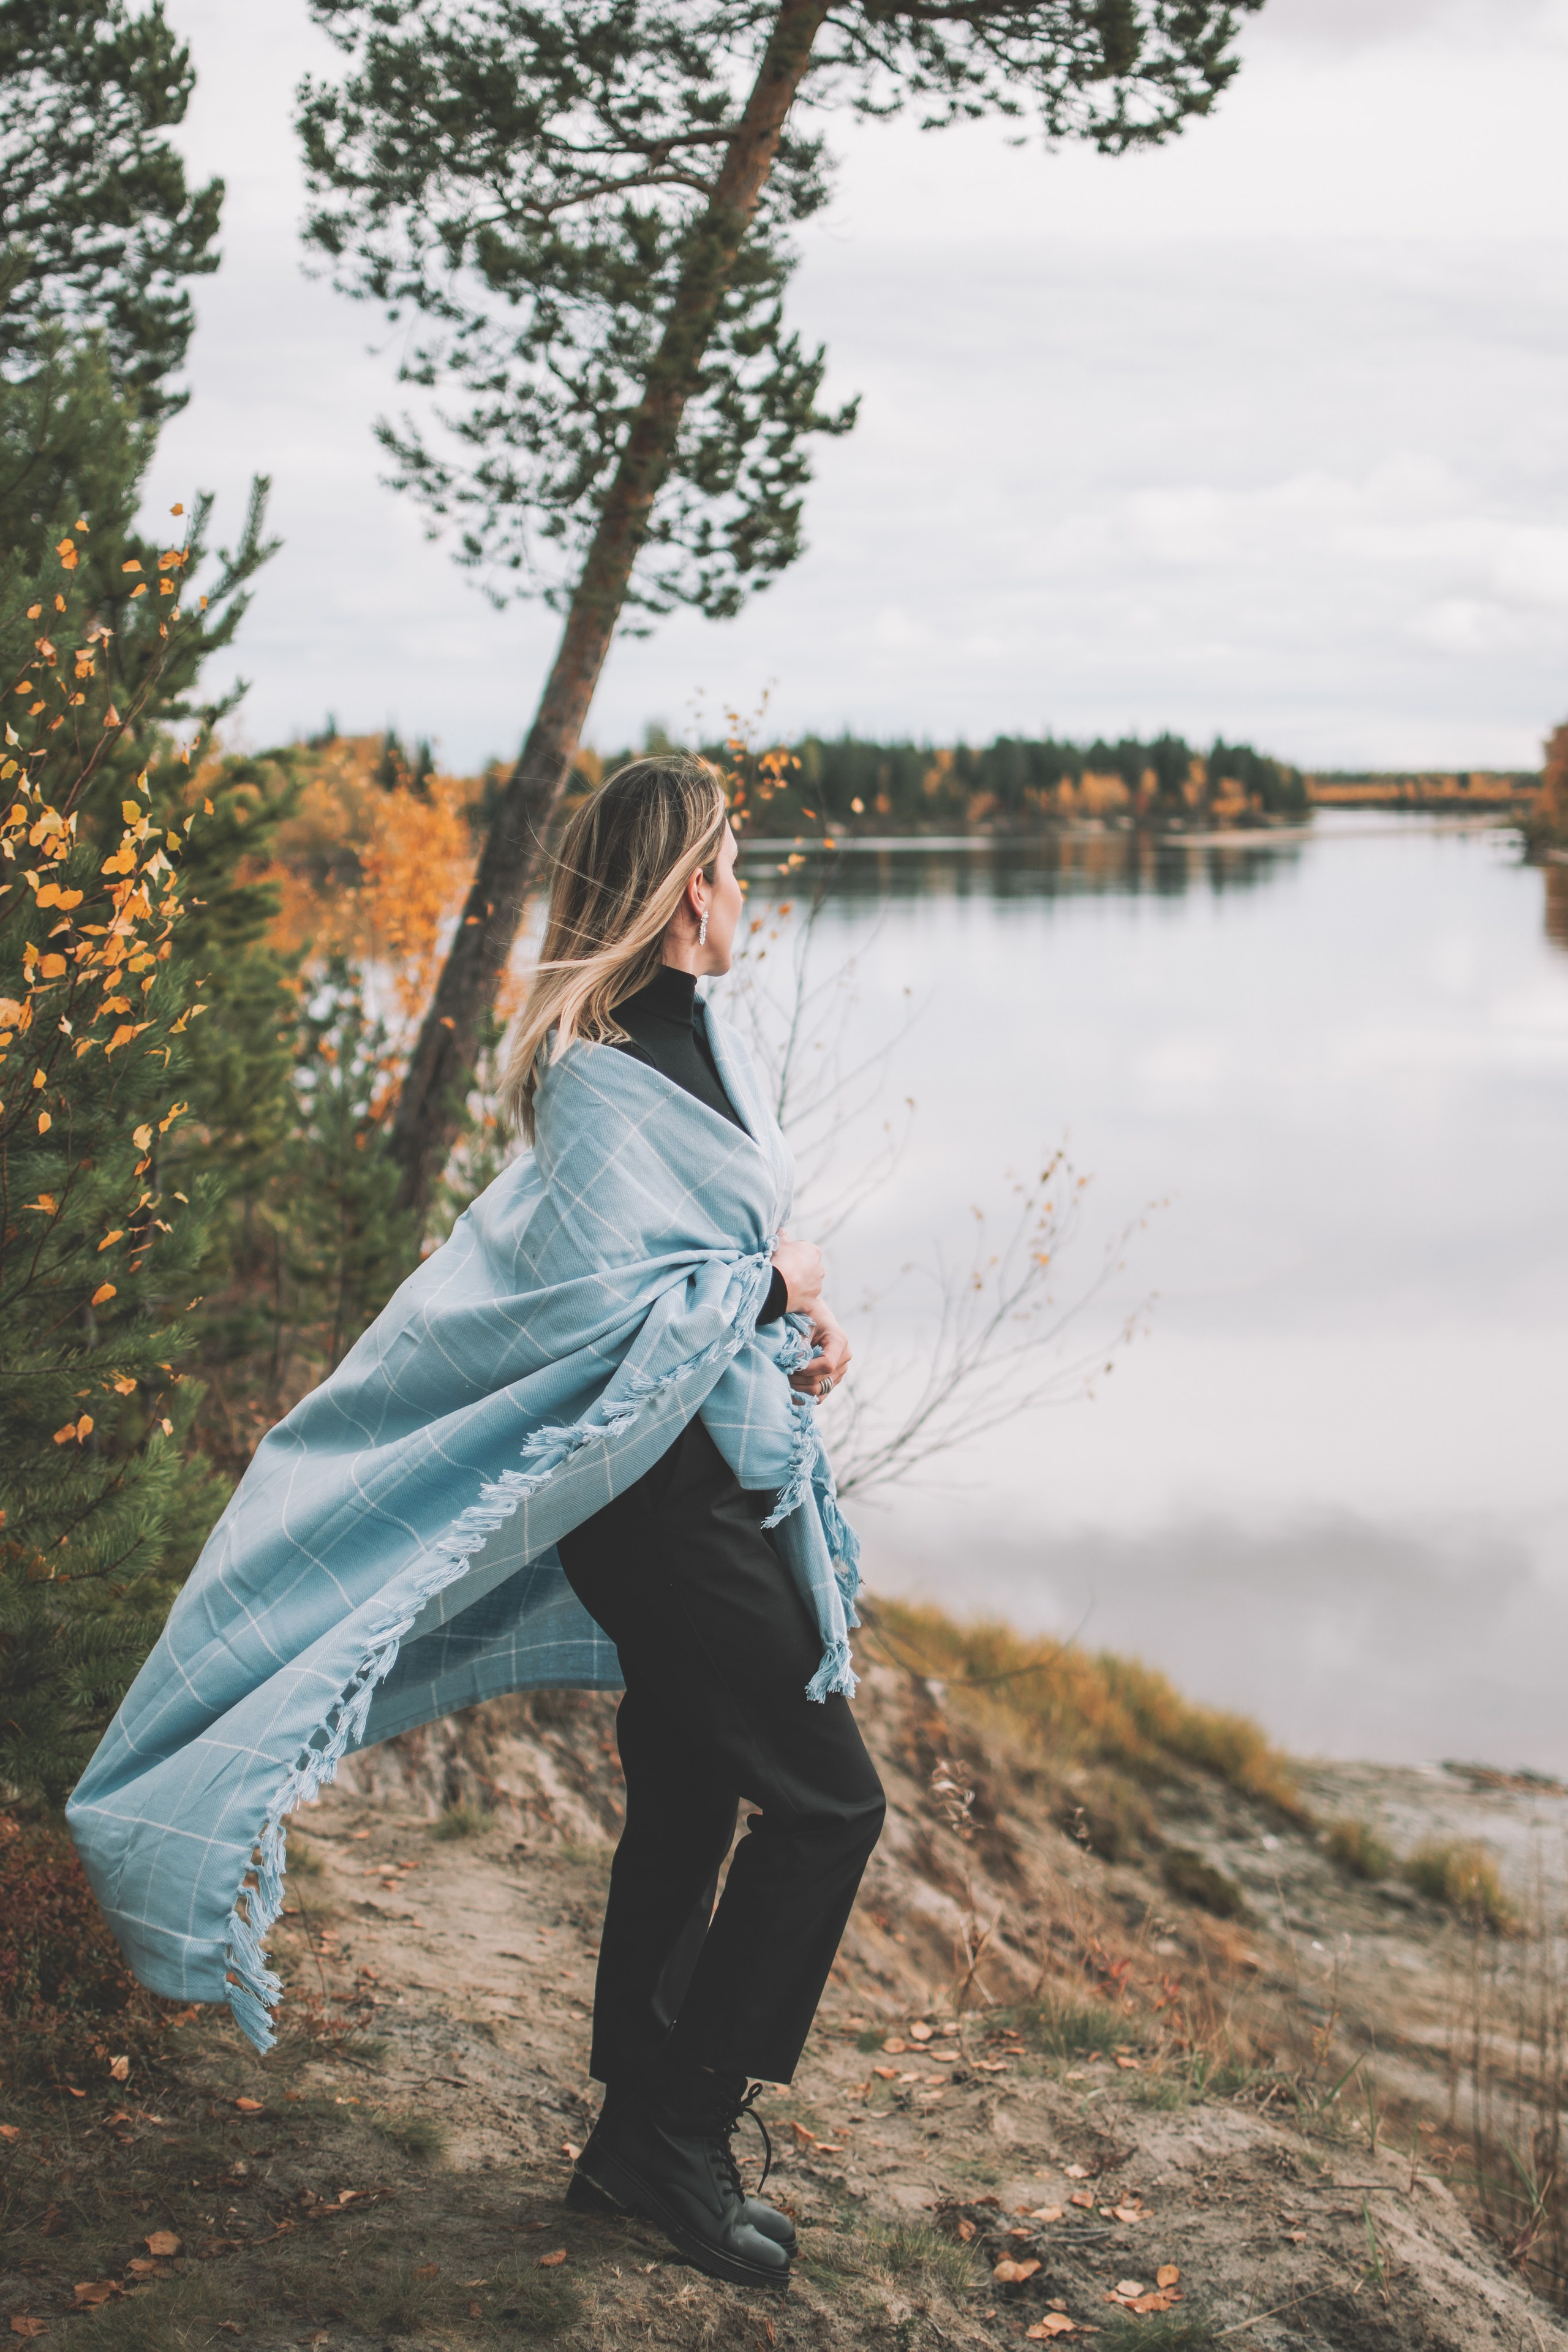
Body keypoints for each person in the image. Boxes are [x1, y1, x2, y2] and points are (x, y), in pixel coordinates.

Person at [499, 756, 886, 2288]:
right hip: (659, 1506)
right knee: (828, 1806)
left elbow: (715, 1269)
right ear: (677, 902)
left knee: (686, 1794)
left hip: (712, 1471)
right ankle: (678, 2128)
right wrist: (768, 1289)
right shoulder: (597, 1074)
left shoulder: (697, 1036)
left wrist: (803, 1322)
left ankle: (626, 2147)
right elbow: (608, 1313)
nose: (744, 888)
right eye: (727, 864)